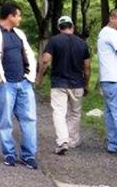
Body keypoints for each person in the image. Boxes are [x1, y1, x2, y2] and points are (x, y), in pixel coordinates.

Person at [0, 2, 38, 169]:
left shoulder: (19, 34)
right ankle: (9, 154)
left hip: (24, 83)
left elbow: (28, 54)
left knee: (29, 120)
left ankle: (28, 156)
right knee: (5, 121)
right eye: (18, 15)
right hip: (5, 85)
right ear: (10, 16)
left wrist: (29, 77)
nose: (20, 18)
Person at [36, 15, 91, 155]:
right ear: (72, 27)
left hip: (59, 83)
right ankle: (72, 140)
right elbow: (87, 67)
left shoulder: (54, 41)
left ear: (59, 28)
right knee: (75, 113)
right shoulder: (82, 43)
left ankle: (62, 141)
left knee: (59, 112)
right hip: (77, 84)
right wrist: (86, 84)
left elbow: (45, 61)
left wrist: (40, 78)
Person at [97, 9, 117, 158]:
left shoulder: (104, 32)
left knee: (110, 113)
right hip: (116, 79)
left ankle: (113, 144)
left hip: (107, 79)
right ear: (112, 18)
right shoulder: (112, 33)